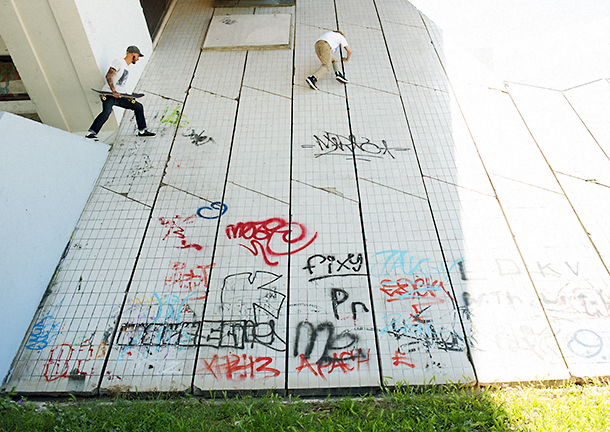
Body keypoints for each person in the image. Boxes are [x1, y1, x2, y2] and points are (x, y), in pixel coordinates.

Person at [86, 46, 155, 139]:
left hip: (119, 96)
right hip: (109, 94)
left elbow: (120, 84)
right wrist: (113, 91)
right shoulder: (119, 62)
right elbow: (108, 76)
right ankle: (91, 133)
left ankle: (142, 131)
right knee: (107, 112)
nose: (138, 59)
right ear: (132, 54)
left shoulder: (127, 67)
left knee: (138, 106)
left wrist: (126, 95)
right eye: (137, 56)